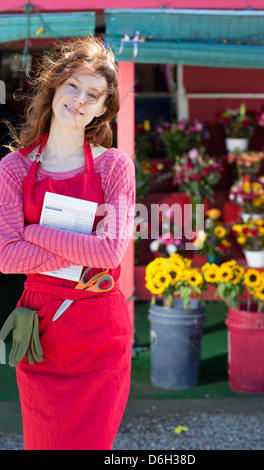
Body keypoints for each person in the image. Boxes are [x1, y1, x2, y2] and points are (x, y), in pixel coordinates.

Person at [0, 36, 135, 450]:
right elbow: (7, 257)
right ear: (55, 88)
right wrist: (82, 242)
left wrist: (35, 232)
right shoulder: (13, 169)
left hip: (101, 331)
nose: (80, 99)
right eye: (73, 86)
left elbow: (110, 252)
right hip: (43, 330)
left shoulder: (115, 166)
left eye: (93, 94)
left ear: (103, 108)